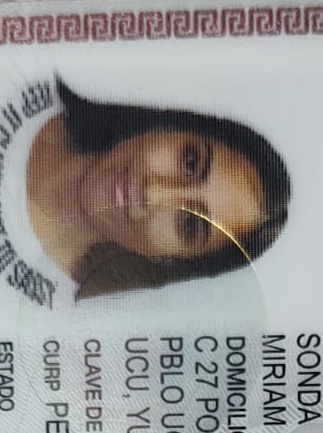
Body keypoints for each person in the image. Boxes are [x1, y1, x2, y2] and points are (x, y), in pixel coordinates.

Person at [25, 80, 290, 300]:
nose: (152, 193)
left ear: (169, 260)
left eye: (189, 225)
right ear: (174, 124)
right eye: (190, 162)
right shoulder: (28, 83)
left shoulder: (56, 313)